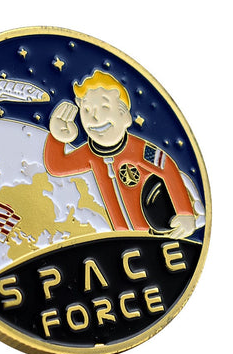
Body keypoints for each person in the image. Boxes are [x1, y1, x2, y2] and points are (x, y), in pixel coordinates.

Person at [44, 70, 196, 239]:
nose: (95, 117)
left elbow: (167, 166)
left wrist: (185, 213)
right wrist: (57, 137)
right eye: (86, 110)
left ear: (125, 116)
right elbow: (56, 166)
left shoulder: (140, 150)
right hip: (123, 240)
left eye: (104, 107)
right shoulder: (90, 154)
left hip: (152, 236)